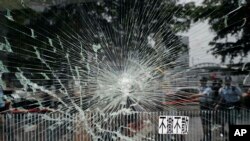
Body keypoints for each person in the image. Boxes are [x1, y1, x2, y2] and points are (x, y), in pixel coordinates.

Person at [191, 77, 213, 141]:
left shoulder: (208, 88)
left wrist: (194, 96)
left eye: (203, 81)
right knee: (203, 123)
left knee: (208, 123)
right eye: (200, 81)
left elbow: (204, 94)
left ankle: (209, 138)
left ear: (206, 81)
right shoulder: (200, 88)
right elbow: (200, 97)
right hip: (202, 106)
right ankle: (205, 137)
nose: (201, 82)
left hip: (207, 107)